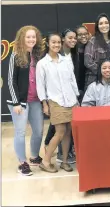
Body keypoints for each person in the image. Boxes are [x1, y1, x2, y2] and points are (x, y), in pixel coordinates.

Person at [36, 32, 80, 173]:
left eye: (58, 42)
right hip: (55, 101)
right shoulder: (42, 64)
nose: (56, 45)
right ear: (48, 44)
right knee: (60, 132)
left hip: (71, 100)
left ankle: (65, 161)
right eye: (53, 42)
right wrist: (44, 103)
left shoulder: (66, 60)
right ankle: (46, 161)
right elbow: (40, 86)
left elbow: (72, 80)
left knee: (68, 132)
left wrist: (76, 99)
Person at [6, 25, 44, 176]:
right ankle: (22, 162)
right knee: (20, 132)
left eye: (33, 37)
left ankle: (34, 157)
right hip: (19, 102)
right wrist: (16, 102)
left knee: (39, 131)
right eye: (28, 37)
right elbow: (10, 80)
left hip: (35, 100)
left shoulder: (38, 55)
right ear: (22, 38)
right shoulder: (16, 55)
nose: (31, 39)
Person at [84, 13, 110, 90]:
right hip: (94, 79)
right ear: (97, 26)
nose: (104, 25)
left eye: (106, 23)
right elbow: (87, 62)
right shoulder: (93, 41)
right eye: (101, 23)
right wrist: (102, 72)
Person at [76, 25, 92, 98]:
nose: (83, 36)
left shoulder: (91, 49)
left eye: (85, 34)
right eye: (80, 35)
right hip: (75, 87)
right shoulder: (73, 51)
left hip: (88, 85)